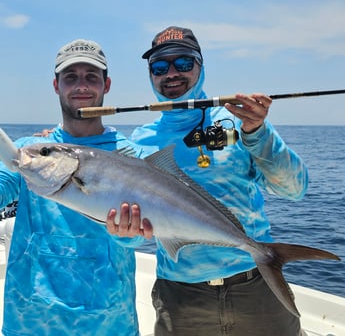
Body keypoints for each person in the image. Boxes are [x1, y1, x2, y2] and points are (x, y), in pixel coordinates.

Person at [108, 26, 309, 336]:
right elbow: (137, 238)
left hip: (255, 286)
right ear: (151, 76)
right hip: (180, 297)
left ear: (201, 67)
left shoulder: (239, 123)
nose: (171, 73)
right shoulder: (141, 142)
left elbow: (295, 189)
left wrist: (259, 133)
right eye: (160, 67)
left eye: (184, 63)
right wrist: (124, 233)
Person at [0, 39, 153, 336]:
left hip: (108, 323)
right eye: (70, 77)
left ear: (106, 85)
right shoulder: (28, 152)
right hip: (30, 322)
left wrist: (132, 236)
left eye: (91, 77)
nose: (81, 85)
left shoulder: (133, 158)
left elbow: (140, 236)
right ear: (56, 86)